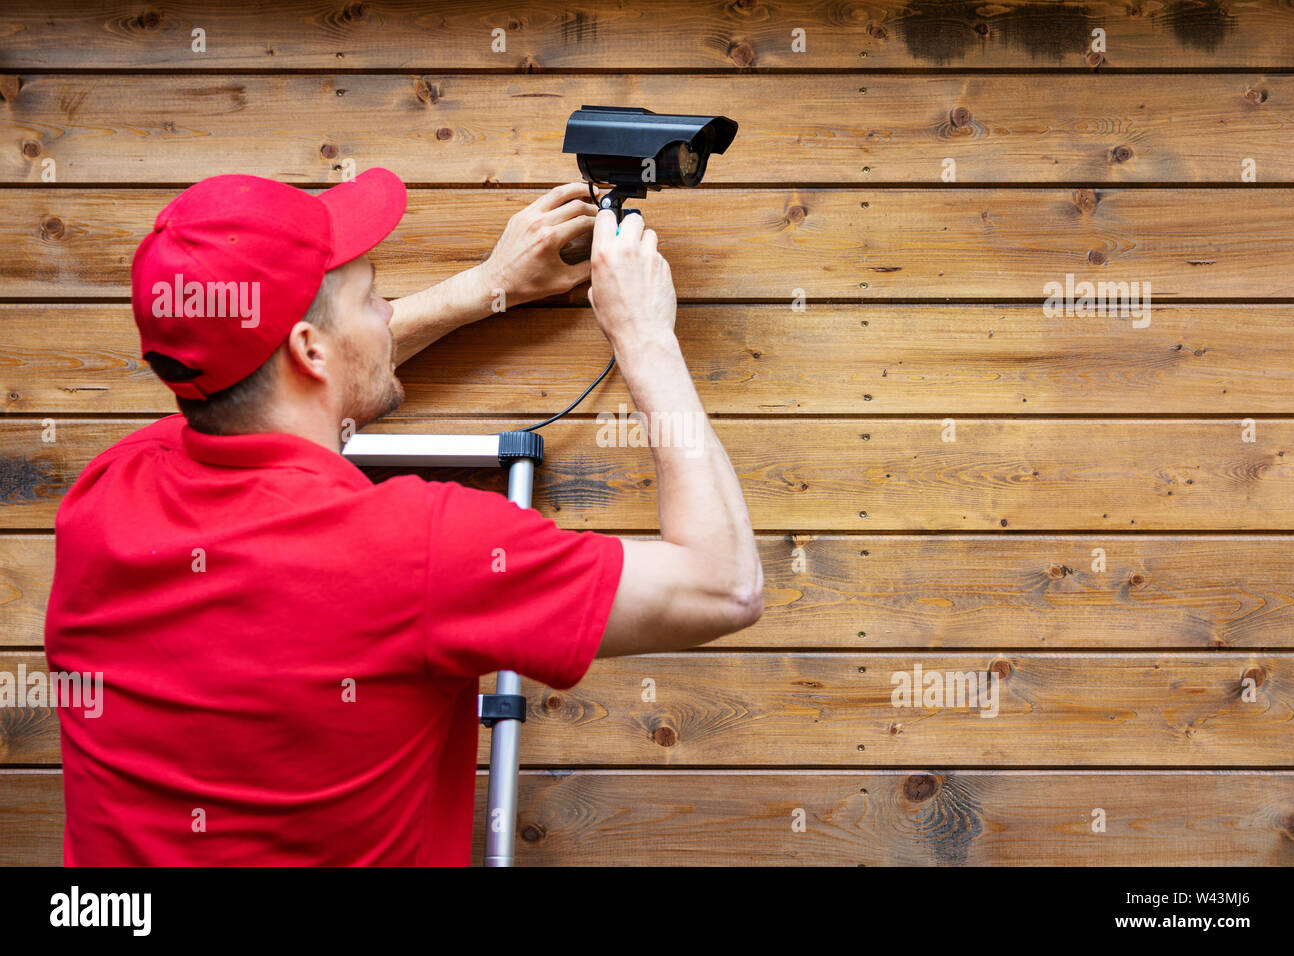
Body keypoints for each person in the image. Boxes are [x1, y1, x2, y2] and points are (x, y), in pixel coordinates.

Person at [43, 168, 763, 865]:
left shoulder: (105, 495)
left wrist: (484, 290)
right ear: (308, 350)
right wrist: (645, 337)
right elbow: (721, 584)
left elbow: (266, 381)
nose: (389, 311)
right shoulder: (418, 549)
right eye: (373, 296)